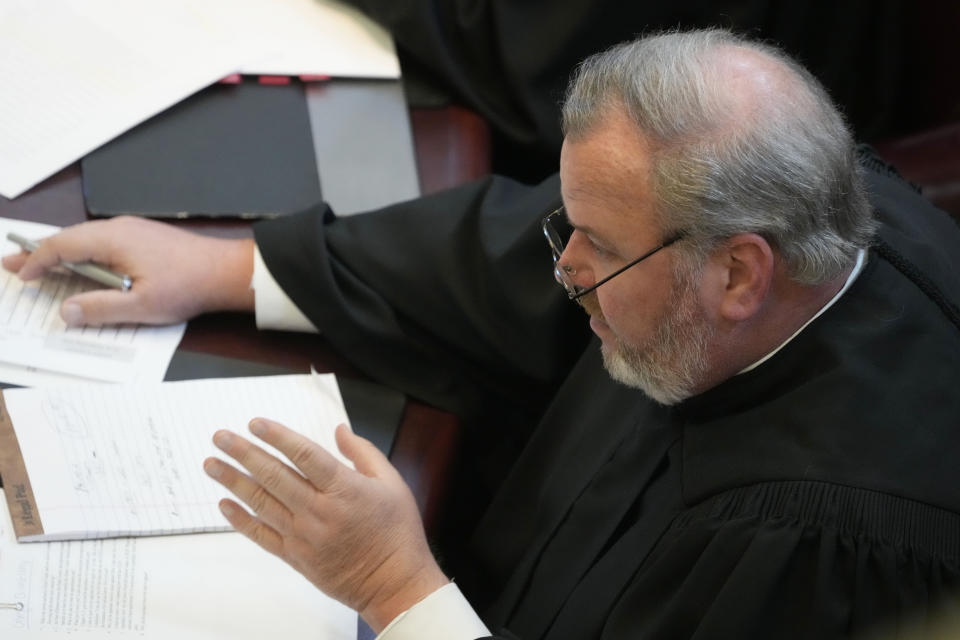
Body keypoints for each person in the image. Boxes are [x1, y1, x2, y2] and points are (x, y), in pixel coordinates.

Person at [5, 29, 960, 639]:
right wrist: (225, 267)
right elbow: (504, 254)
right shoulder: (773, 213)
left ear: (740, 272)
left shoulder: (825, 549)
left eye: (595, 242)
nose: (563, 265)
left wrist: (394, 587)